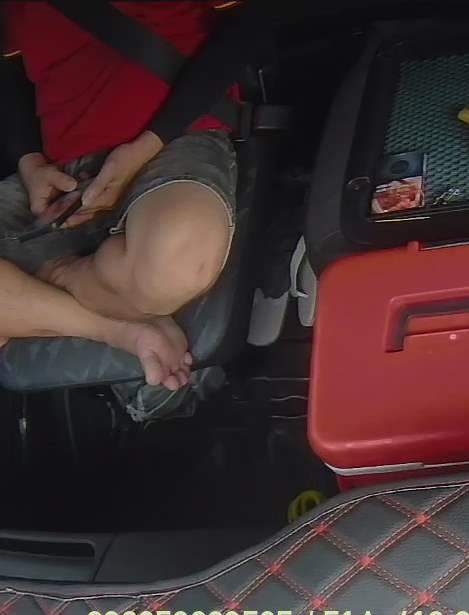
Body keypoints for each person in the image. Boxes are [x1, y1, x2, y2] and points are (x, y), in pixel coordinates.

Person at [0, 1, 274, 392]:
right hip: (58, 175)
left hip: (172, 139)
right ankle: (120, 329)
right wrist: (30, 162)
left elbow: (252, 25)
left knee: (177, 264)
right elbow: (9, 67)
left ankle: (53, 279)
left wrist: (148, 145)